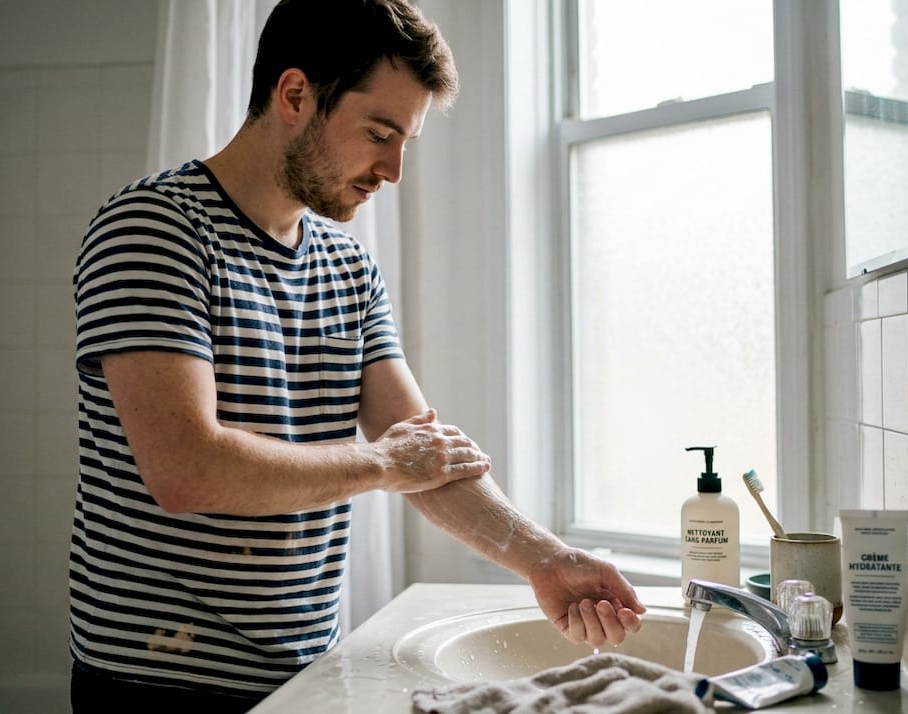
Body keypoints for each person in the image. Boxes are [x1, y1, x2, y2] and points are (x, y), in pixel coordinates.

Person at [68, 0, 645, 710]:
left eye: (407, 140)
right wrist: (381, 464)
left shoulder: (349, 267)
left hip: (308, 671)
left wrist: (548, 560)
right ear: (295, 95)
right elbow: (187, 470)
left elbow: (426, 458)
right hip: (157, 679)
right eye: (380, 132)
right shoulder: (155, 231)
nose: (394, 169)